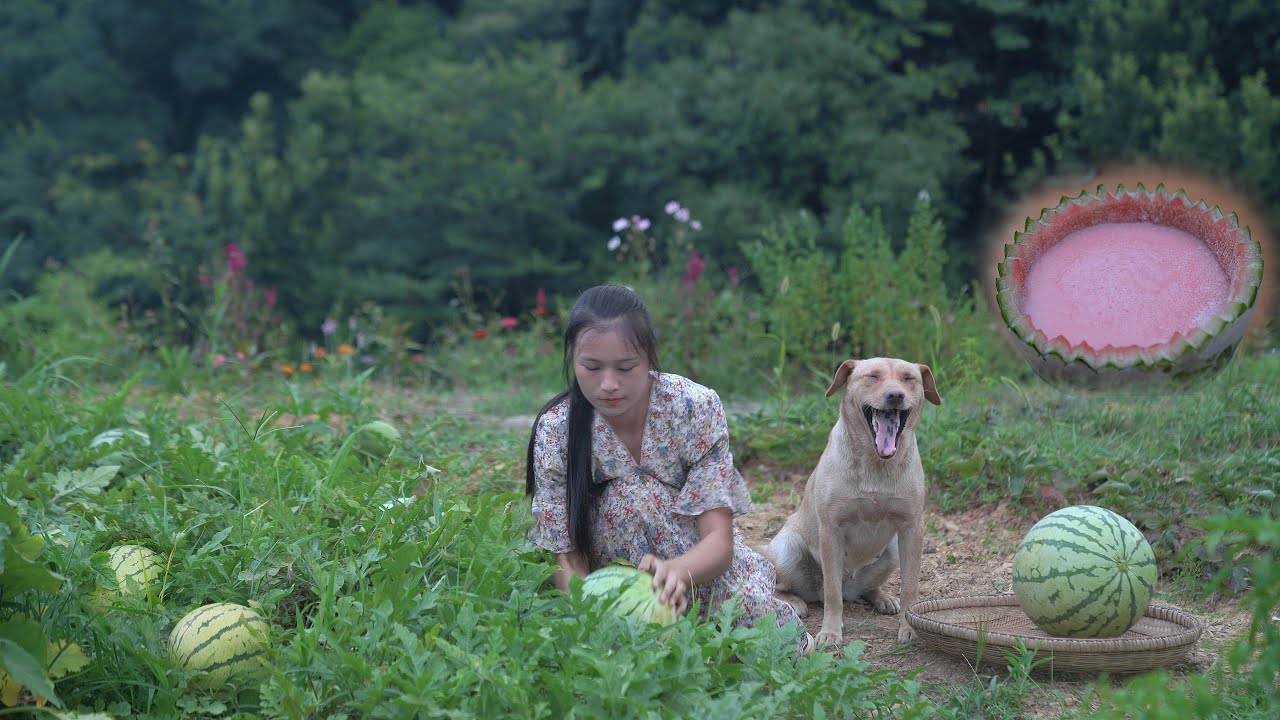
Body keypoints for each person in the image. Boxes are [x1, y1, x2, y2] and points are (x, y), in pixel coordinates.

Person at [524, 284, 813, 653]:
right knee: (628, 496)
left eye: (626, 367)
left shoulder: (693, 407)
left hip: (697, 562)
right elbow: (564, 555)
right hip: (614, 576)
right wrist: (595, 612)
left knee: (760, 643)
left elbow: (718, 540)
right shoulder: (557, 429)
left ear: (649, 358)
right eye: (591, 367)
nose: (608, 384)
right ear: (571, 358)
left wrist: (675, 572)